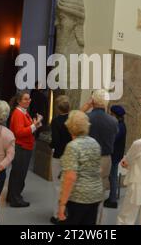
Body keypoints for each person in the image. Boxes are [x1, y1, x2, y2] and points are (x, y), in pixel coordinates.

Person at [58, 110, 103, 225]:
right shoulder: (95, 143)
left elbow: (70, 177)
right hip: (95, 195)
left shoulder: (72, 147)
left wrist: (62, 203)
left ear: (70, 127)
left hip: (78, 198)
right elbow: (99, 169)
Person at [81, 89, 118, 223]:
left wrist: (85, 107)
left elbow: (72, 125)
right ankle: (97, 220)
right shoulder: (113, 121)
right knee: (100, 192)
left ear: (93, 101)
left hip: (87, 157)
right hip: (105, 159)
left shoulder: (86, 118)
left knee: (84, 189)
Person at [6, 91, 42, 207]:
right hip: (21, 147)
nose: (29, 101)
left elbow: (26, 128)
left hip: (24, 146)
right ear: (19, 101)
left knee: (17, 173)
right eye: (26, 99)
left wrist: (35, 124)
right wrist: (33, 126)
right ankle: (15, 199)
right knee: (19, 174)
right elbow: (19, 132)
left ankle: (12, 196)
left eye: (29, 99)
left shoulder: (23, 112)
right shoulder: (18, 113)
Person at [49, 95, 72, 224]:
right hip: (71, 156)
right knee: (70, 186)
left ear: (58, 108)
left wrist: (50, 145)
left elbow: (55, 141)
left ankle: (58, 214)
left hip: (59, 157)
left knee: (58, 186)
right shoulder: (73, 119)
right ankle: (68, 212)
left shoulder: (56, 121)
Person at [104, 105, 127, 209]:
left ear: (115, 115)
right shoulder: (120, 124)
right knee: (112, 176)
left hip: (114, 155)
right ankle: (112, 198)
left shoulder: (119, 127)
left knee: (112, 177)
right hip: (116, 154)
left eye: (111, 114)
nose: (110, 115)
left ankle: (112, 200)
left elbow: (112, 139)